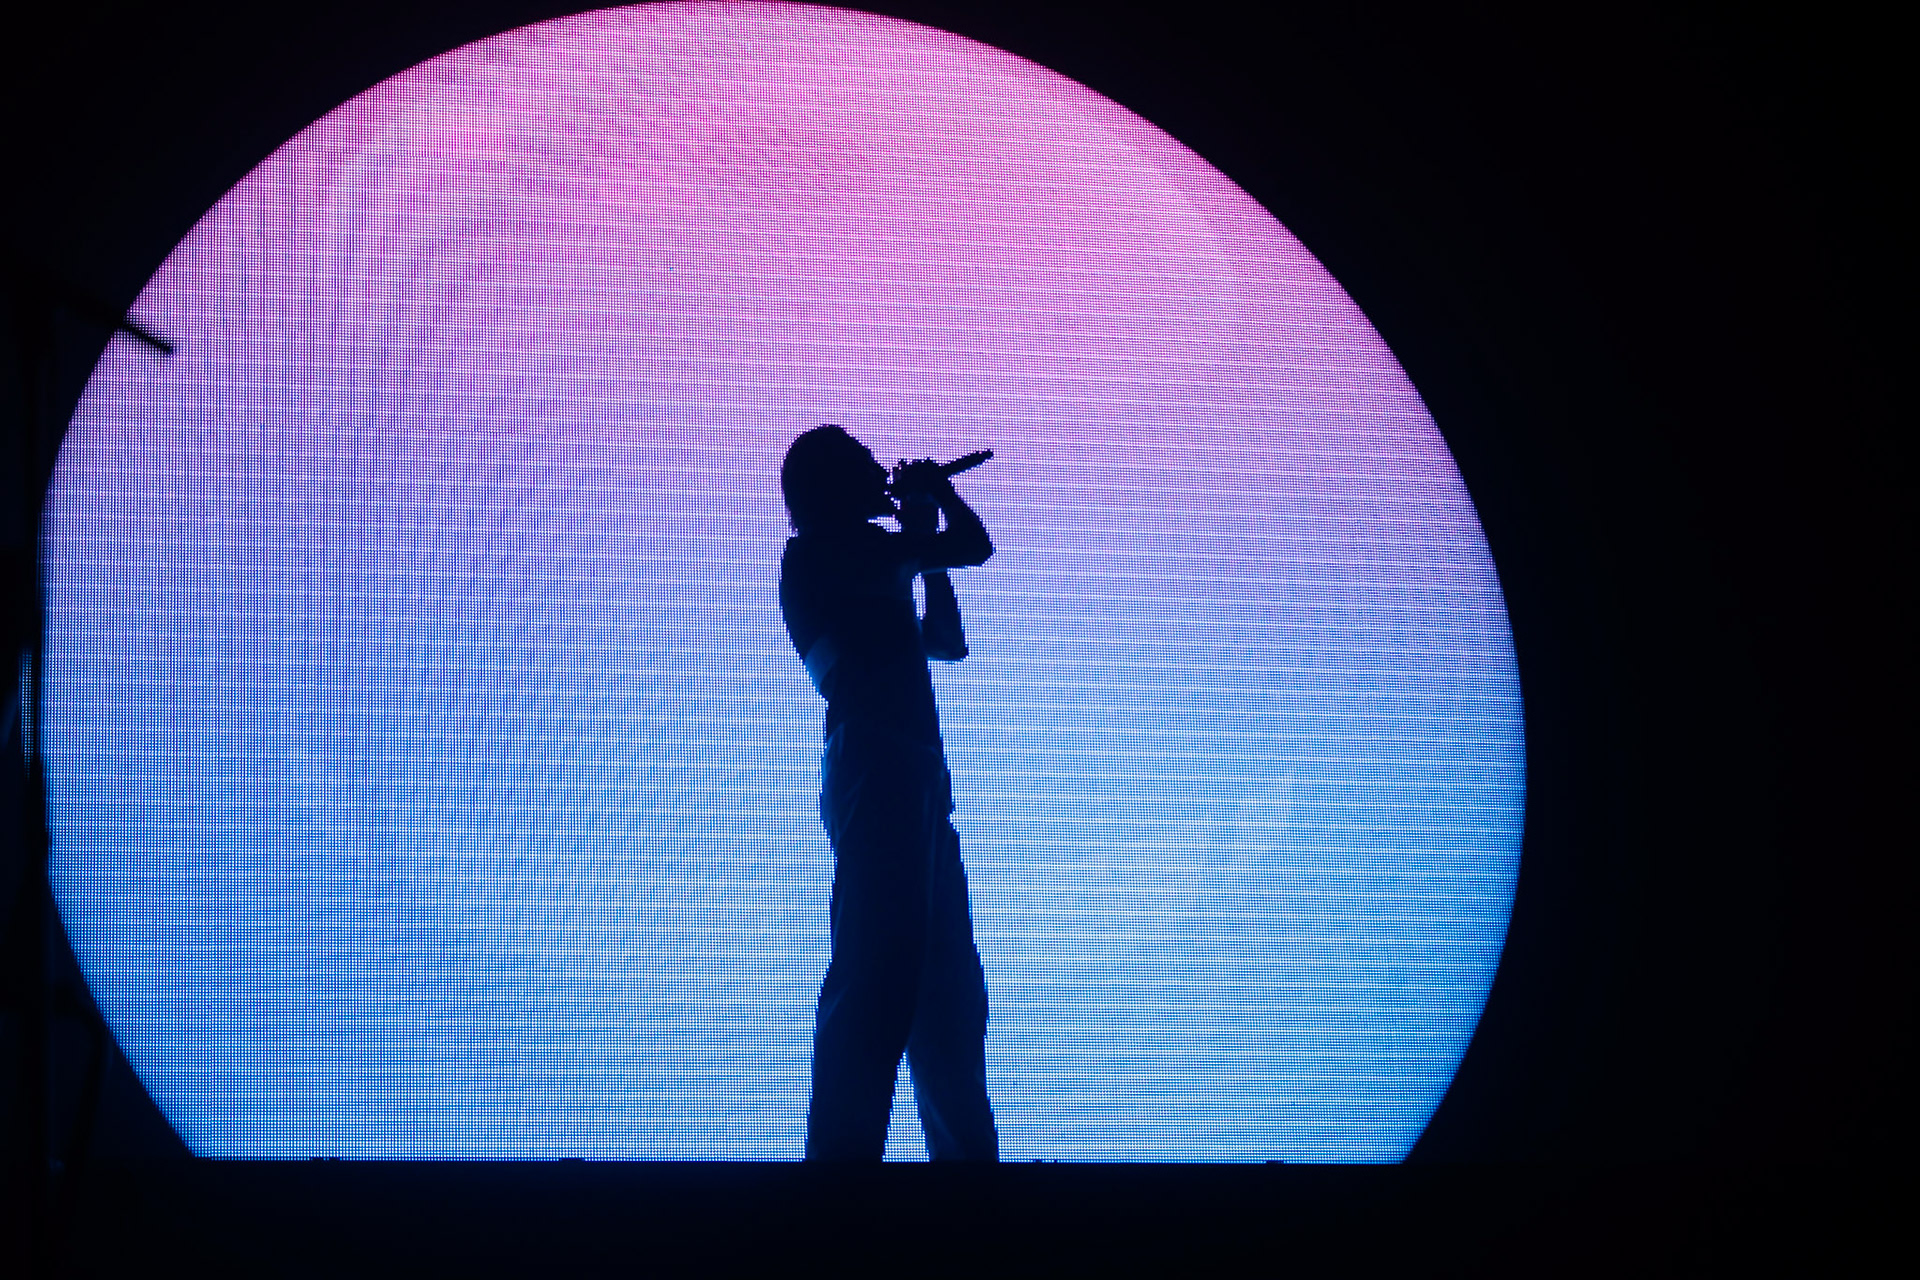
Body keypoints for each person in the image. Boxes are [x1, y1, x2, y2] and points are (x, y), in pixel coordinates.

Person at [777, 424, 1000, 1161]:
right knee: (879, 971)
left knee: (944, 984)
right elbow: (975, 546)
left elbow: (944, 643)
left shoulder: (864, 561)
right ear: (835, 485)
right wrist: (933, 502)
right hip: (883, 769)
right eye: (867, 464)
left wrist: (919, 549)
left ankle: (964, 1172)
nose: (883, 470)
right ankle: (841, 1177)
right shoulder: (828, 551)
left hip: (907, 776)